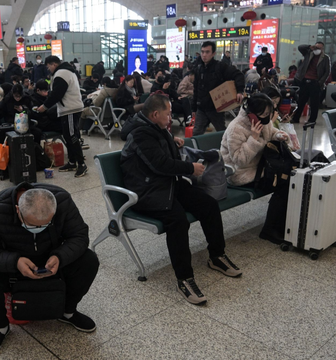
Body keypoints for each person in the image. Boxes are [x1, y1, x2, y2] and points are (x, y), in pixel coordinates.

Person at [120, 94, 242, 305]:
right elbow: (159, 164)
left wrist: (172, 142)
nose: (170, 117)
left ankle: (216, 255)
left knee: (209, 205)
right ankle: (184, 278)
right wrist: (190, 169)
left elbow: (161, 155)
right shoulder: (140, 133)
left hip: (165, 184)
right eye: (168, 114)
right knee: (178, 220)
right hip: (146, 192)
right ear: (156, 114)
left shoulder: (154, 127)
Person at [0, 183, 99, 357]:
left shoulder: (63, 201)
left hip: (52, 264)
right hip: (13, 269)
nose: (39, 229)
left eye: (46, 224)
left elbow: (79, 236)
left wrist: (60, 256)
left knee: (89, 260)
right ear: (17, 211)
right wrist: (15, 262)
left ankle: (67, 312)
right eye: (32, 225)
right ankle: (0, 327)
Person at [221, 93, 290, 244]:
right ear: (251, 113)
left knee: (290, 177)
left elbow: (271, 132)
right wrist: (253, 138)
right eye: (264, 114)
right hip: (240, 174)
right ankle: (269, 229)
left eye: (268, 114)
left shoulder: (261, 122)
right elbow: (239, 160)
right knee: (284, 183)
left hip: (258, 168)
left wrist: (279, 135)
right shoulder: (236, 129)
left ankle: (280, 224)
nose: (267, 118)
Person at [36, 56, 87, 177]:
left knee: (71, 136)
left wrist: (45, 106)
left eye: (48, 66)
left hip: (70, 109)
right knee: (68, 136)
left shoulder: (61, 73)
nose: (48, 69)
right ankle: (72, 162)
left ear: (53, 64)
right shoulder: (67, 71)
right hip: (69, 108)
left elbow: (57, 95)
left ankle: (81, 164)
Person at [191, 41, 244, 136]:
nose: (204, 55)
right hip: (202, 108)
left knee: (221, 134)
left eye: (207, 52)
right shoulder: (198, 69)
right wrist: (194, 108)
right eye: (202, 52)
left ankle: (224, 150)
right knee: (196, 134)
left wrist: (240, 91)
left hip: (216, 109)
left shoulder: (220, 67)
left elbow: (238, 75)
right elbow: (196, 89)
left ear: (213, 53)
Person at [290, 42, 330, 124]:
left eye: (319, 48)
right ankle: (296, 118)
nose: (317, 49)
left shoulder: (325, 58)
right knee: (301, 101)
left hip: (316, 82)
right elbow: (300, 47)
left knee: (314, 103)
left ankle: (312, 120)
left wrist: (320, 82)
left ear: (322, 49)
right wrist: (309, 47)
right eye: (316, 47)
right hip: (304, 80)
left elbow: (327, 72)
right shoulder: (308, 54)